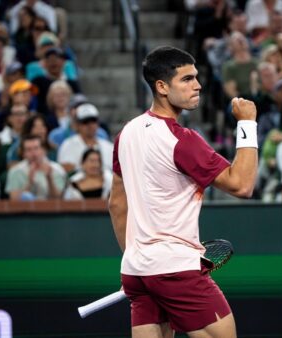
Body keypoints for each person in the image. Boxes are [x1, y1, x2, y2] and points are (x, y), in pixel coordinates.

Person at [108, 46, 258, 338]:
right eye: (187, 79)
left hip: (137, 271)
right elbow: (242, 184)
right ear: (162, 87)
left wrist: (141, 259)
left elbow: (116, 204)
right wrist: (247, 123)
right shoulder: (182, 141)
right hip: (175, 268)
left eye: (196, 77)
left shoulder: (126, 133)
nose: (198, 85)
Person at [5, 134, 66, 200]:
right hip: (25, 209)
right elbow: (14, 201)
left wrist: (49, 178)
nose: (33, 153)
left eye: (36, 148)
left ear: (43, 150)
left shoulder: (56, 169)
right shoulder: (15, 172)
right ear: (23, 153)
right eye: (29, 150)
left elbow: (58, 199)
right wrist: (30, 182)